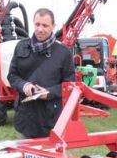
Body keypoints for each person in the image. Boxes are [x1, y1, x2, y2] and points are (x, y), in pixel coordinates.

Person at [8, 8, 75, 139]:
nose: (40, 29)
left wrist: (49, 93)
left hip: (51, 119)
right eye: (37, 24)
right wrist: (24, 85)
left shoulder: (64, 53)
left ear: (53, 26)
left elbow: (70, 85)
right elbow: (12, 75)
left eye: (45, 25)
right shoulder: (21, 47)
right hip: (26, 117)